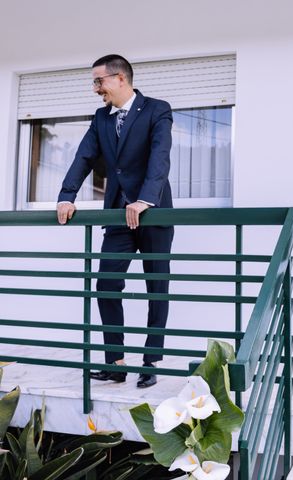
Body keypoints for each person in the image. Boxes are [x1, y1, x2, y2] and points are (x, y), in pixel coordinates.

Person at [57, 54, 174, 387]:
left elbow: (160, 156)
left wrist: (145, 199)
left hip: (153, 212)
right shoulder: (101, 118)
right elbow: (84, 157)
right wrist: (67, 195)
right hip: (118, 216)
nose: (96, 89)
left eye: (99, 81)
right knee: (106, 285)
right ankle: (116, 362)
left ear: (120, 78)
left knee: (157, 289)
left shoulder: (156, 109)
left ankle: (151, 362)